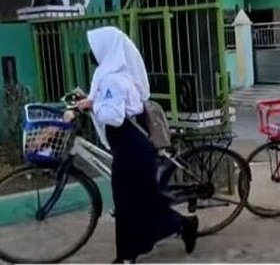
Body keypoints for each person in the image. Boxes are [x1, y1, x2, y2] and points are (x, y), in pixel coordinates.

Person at [75, 26, 198, 263]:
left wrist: (92, 106)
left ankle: (127, 255)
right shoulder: (119, 74)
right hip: (133, 146)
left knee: (129, 203)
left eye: (95, 48)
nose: (92, 53)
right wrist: (92, 101)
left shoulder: (111, 79)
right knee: (140, 201)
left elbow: (114, 116)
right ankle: (181, 225)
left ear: (106, 50)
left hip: (131, 147)